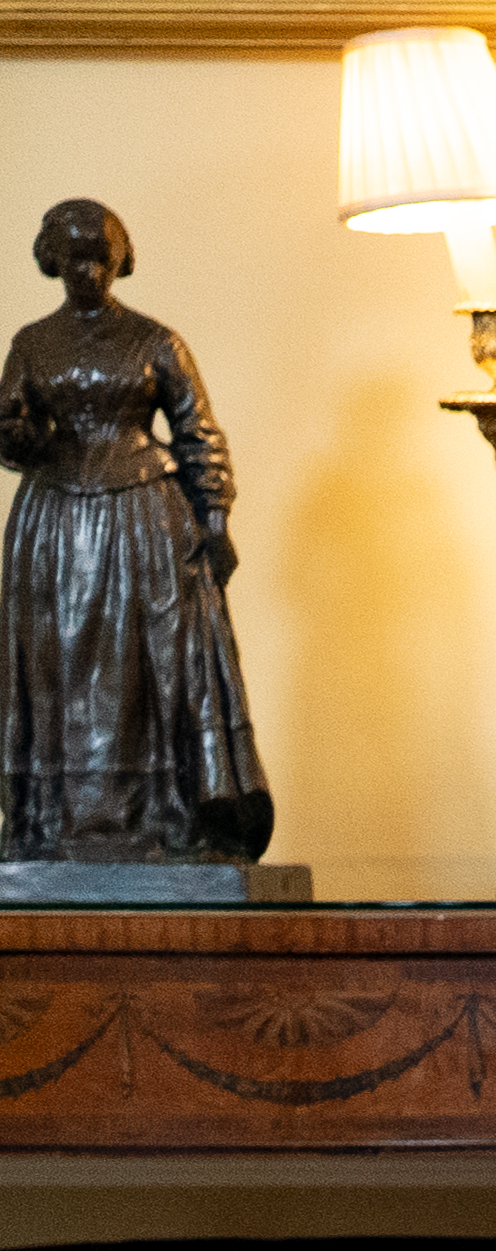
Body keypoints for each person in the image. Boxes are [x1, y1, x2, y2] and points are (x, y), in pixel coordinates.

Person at [0, 199, 265, 869]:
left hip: (145, 521)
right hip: (54, 523)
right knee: (52, 667)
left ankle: (168, 820)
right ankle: (47, 823)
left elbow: (198, 431)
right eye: (73, 258)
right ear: (52, 262)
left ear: (119, 261)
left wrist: (213, 517)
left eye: (99, 257)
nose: (87, 272)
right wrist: (17, 433)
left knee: (153, 665)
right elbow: (13, 434)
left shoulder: (156, 340)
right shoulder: (32, 343)